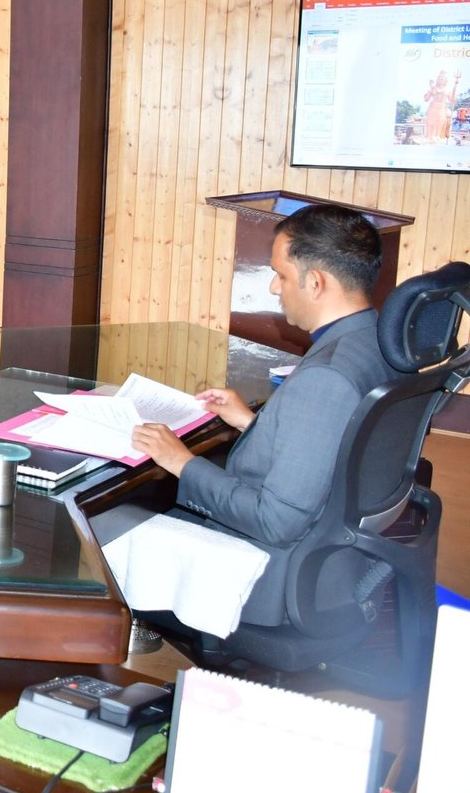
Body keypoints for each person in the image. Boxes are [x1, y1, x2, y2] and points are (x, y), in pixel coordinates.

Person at [97, 205, 398, 629]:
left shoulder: (326, 378)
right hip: (334, 557)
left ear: (315, 282)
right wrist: (253, 424)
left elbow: (275, 522)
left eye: (281, 275)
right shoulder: (376, 341)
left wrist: (182, 462)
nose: (274, 287)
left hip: (275, 574)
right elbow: (334, 447)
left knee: (106, 525)